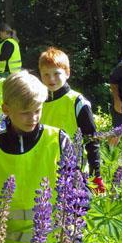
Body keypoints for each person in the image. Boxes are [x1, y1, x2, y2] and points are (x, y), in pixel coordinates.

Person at [0, 71, 87, 243]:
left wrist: (75, 228)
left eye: (37, 110)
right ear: (6, 109)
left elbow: (79, 187)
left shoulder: (58, 139)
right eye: (25, 112)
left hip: (58, 238)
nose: (33, 117)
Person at [38, 47, 104, 193]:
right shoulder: (38, 101)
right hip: (44, 170)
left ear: (67, 73)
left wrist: (96, 175)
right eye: (46, 74)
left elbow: (92, 139)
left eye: (57, 73)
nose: (51, 79)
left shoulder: (77, 101)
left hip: (74, 172)